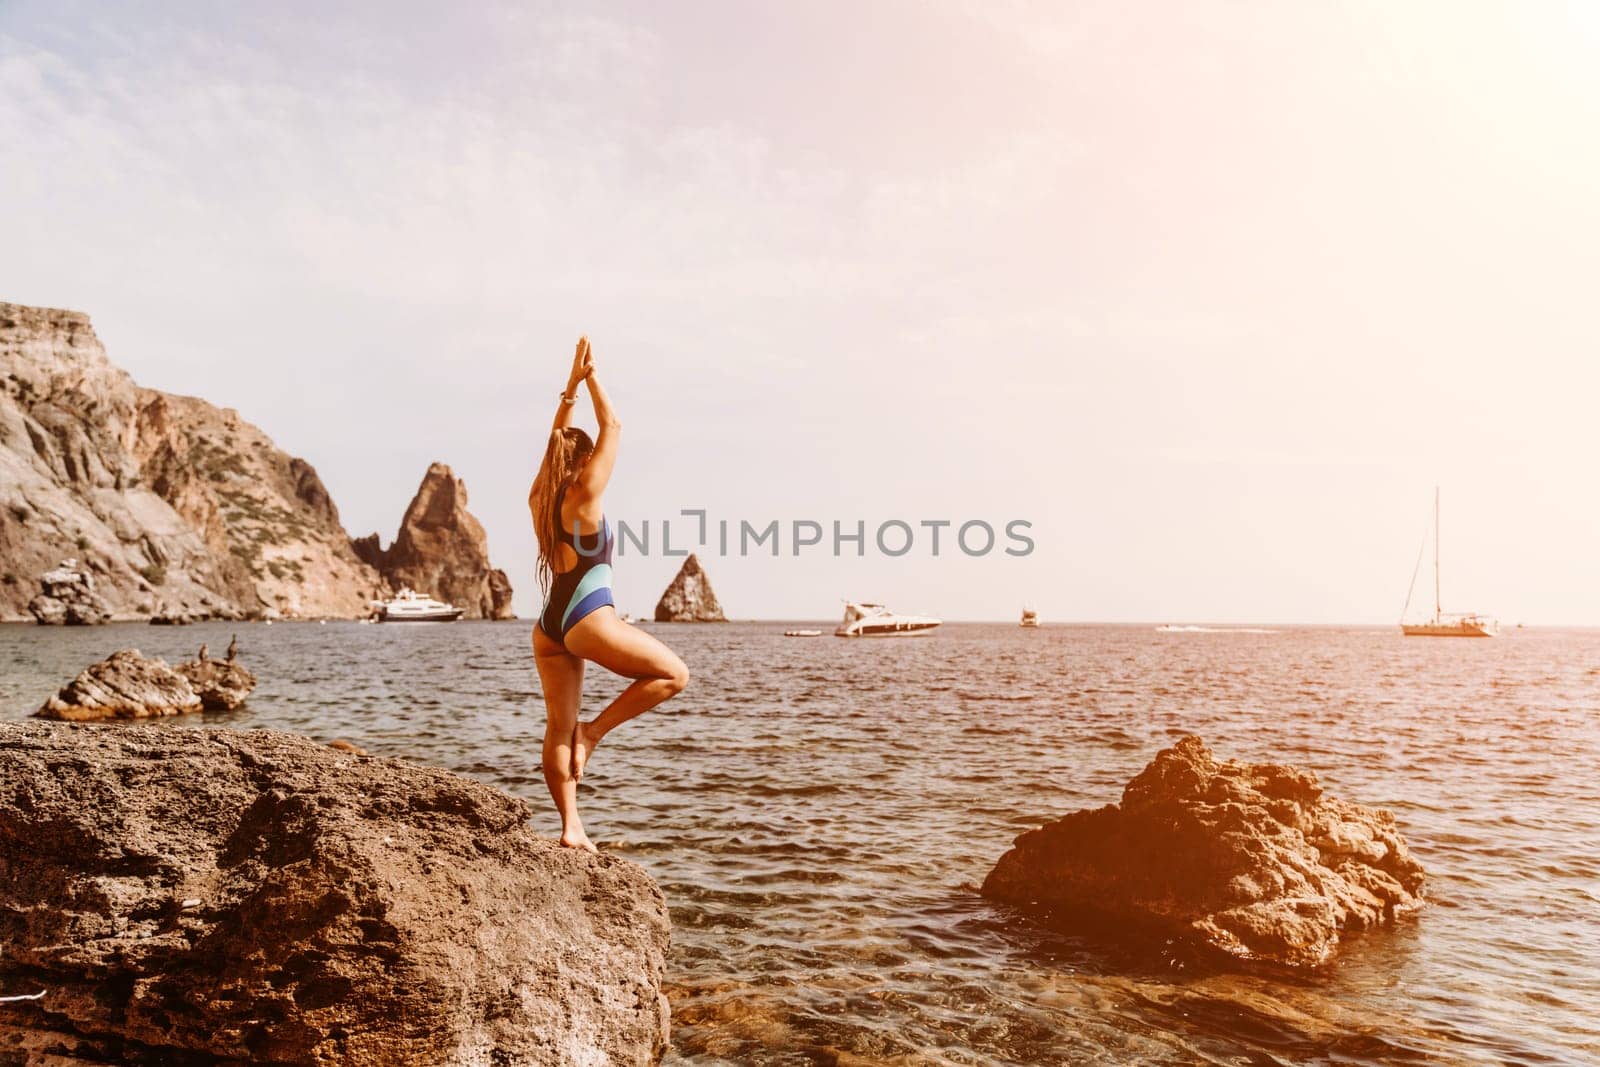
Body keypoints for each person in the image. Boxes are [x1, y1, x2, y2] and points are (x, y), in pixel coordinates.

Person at [529, 336, 689, 852]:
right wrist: (592, 376)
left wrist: (568, 391)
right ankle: (595, 733)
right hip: (589, 618)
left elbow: (557, 441)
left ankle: (571, 828)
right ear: (581, 461)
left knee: (558, 726)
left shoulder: (540, 499)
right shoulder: (583, 497)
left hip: (550, 624)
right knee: (673, 675)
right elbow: (614, 427)